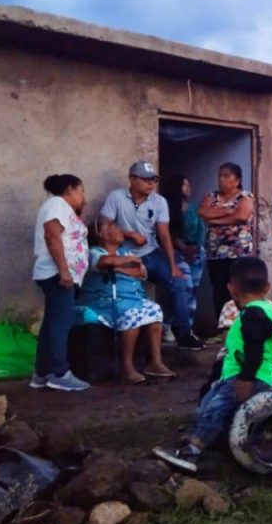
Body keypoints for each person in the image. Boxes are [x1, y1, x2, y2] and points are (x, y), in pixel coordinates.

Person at [152, 256, 272, 474]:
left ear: (231, 289)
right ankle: (199, 435)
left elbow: (255, 349)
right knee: (211, 401)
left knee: (216, 408)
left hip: (244, 376)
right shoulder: (271, 311)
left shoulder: (253, 314)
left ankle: (191, 453)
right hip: (240, 373)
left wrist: (246, 379)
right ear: (267, 286)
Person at [100, 162, 203, 350]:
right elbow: (103, 227)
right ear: (132, 179)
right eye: (145, 179)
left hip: (151, 253)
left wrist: (172, 266)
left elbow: (164, 234)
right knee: (130, 292)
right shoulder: (116, 197)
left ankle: (183, 333)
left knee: (179, 282)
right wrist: (130, 234)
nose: (151, 184)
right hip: (125, 254)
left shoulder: (159, 201)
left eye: (154, 180)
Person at [76, 219, 177, 383]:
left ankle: (155, 362)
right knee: (132, 315)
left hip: (132, 298)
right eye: (113, 227)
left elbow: (141, 272)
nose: (119, 230)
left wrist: (118, 268)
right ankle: (127, 367)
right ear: (101, 234)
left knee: (155, 310)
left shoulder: (125, 252)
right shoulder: (93, 252)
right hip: (104, 301)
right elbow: (105, 262)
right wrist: (122, 264)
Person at [31, 174, 91, 392]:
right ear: (69, 189)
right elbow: (52, 236)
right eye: (81, 191)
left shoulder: (61, 207)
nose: (83, 195)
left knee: (52, 323)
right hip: (57, 274)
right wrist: (64, 271)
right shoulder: (57, 204)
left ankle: (42, 372)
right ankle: (59, 373)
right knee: (61, 323)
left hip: (59, 274)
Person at [199, 162, 255, 321]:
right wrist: (229, 211)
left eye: (226, 176)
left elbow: (241, 216)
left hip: (239, 252)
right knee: (219, 290)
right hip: (215, 253)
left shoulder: (245, 196)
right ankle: (222, 329)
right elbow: (203, 212)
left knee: (239, 289)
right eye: (220, 176)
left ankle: (242, 326)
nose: (221, 179)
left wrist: (215, 220)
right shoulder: (211, 196)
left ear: (237, 180)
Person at [161, 174, 207, 342]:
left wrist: (196, 247)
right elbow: (167, 232)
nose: (188, 188)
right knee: (182, 289)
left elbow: (202, 229)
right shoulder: (167, 207)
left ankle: (188, 329)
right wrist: (183, 248)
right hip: (176, 252)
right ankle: (168, 326)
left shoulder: (194, 208)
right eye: (184, 185)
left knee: (192, 292)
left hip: (196, 253)